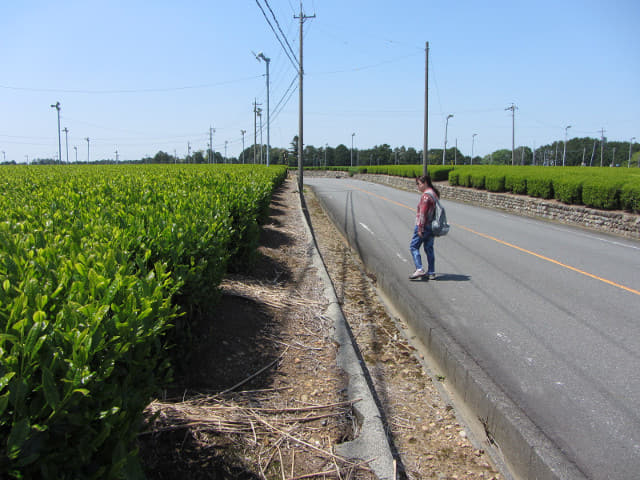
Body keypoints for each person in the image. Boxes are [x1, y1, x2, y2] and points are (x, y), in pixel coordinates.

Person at [409, 174, 439, 280]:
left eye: (419, 184)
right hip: (432, 226)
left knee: (413, 247)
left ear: (425, 183)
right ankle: (431, 271)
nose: (418, 186)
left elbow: (422, 213)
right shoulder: (434, 194)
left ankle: (419, 269)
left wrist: (420, 228)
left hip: (424, 226)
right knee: (429, 248)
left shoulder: (426, 196)